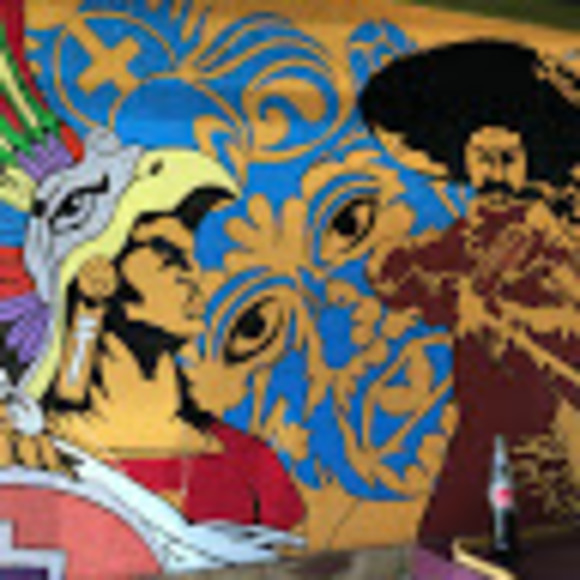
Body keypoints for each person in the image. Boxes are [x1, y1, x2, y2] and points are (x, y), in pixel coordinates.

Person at [1, 136, 304, 531]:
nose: (194, 276)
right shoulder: (31, 459)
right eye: (167, 254)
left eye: (191, 257)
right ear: (96, 271)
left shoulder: (249, 464)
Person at [358, 39, 580, 552]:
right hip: (476, 436)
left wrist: (506, 317)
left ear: (527, 161)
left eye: (507, 159)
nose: (494, 173)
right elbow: (395, 275)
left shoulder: (548, 236)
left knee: (537, 550)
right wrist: (438, 286)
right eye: (482, 158)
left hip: (536, 445)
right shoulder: (472, 233)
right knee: (442, 546)